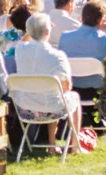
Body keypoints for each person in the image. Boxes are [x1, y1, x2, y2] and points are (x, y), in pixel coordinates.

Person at [13, 13, 82, 141]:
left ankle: (52, 142)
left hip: (25, 106)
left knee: (53, 93)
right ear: (47, 31)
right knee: (71, 97)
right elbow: (67, 86)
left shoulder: (20, 49)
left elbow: (25, 40)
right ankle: (74, 144)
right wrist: (42, 29)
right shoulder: (57, 56)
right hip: (48, 108)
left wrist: (34, 30)